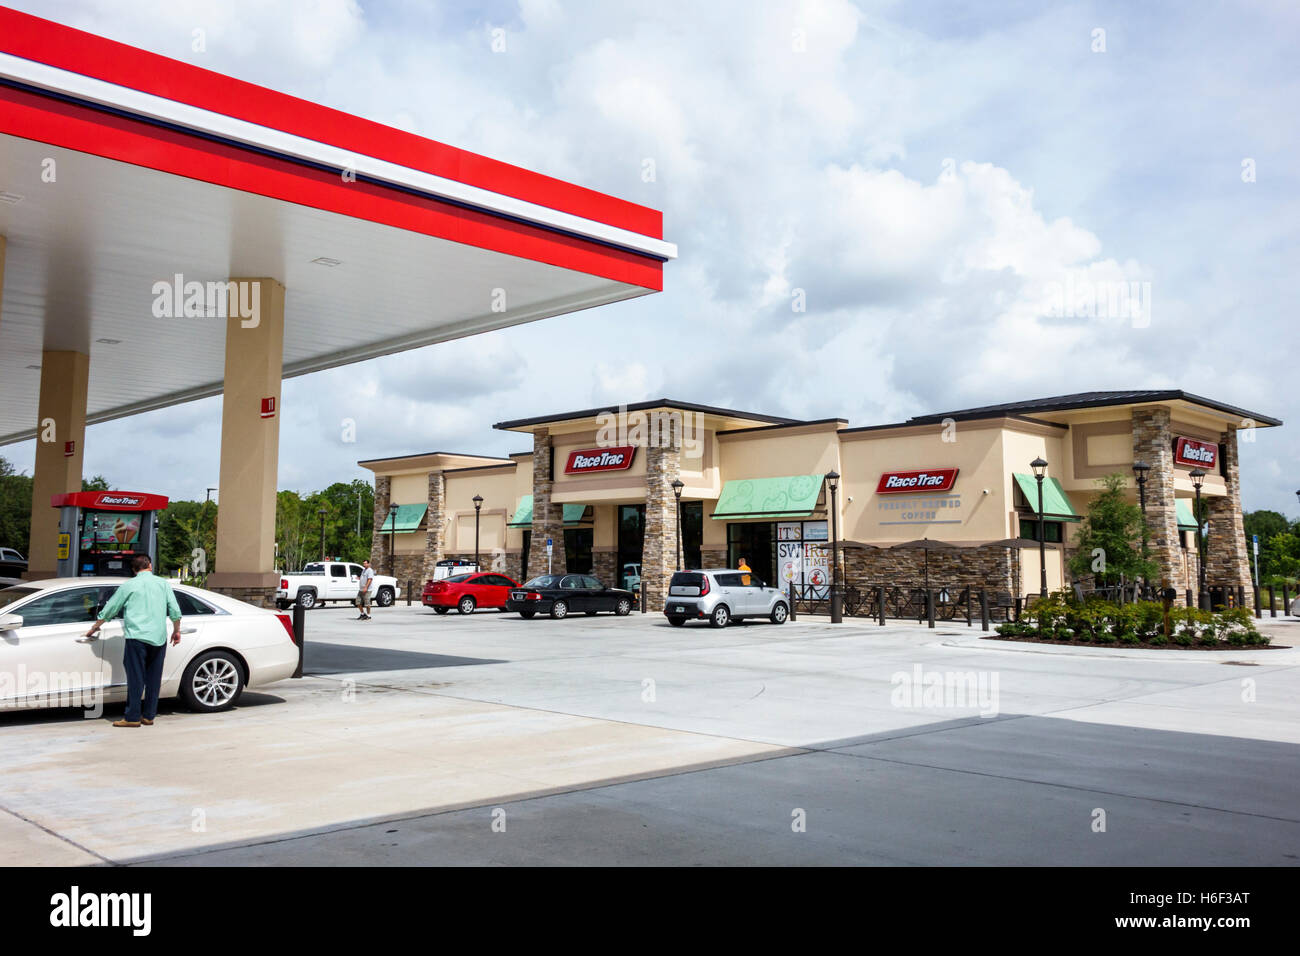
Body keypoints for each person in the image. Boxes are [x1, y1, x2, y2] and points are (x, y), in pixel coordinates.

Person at [80, 554, 181, 728]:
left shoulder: (129, 585)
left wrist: (95, 627)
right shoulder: (163, 584)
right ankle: (149, 716)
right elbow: (175, 610)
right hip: (158, 638)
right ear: (149, 565)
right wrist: (177, 631)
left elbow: (111, 608)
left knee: (136, 678)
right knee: (153, 678)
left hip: (137, 638)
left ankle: (133, 717)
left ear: (134, 570)